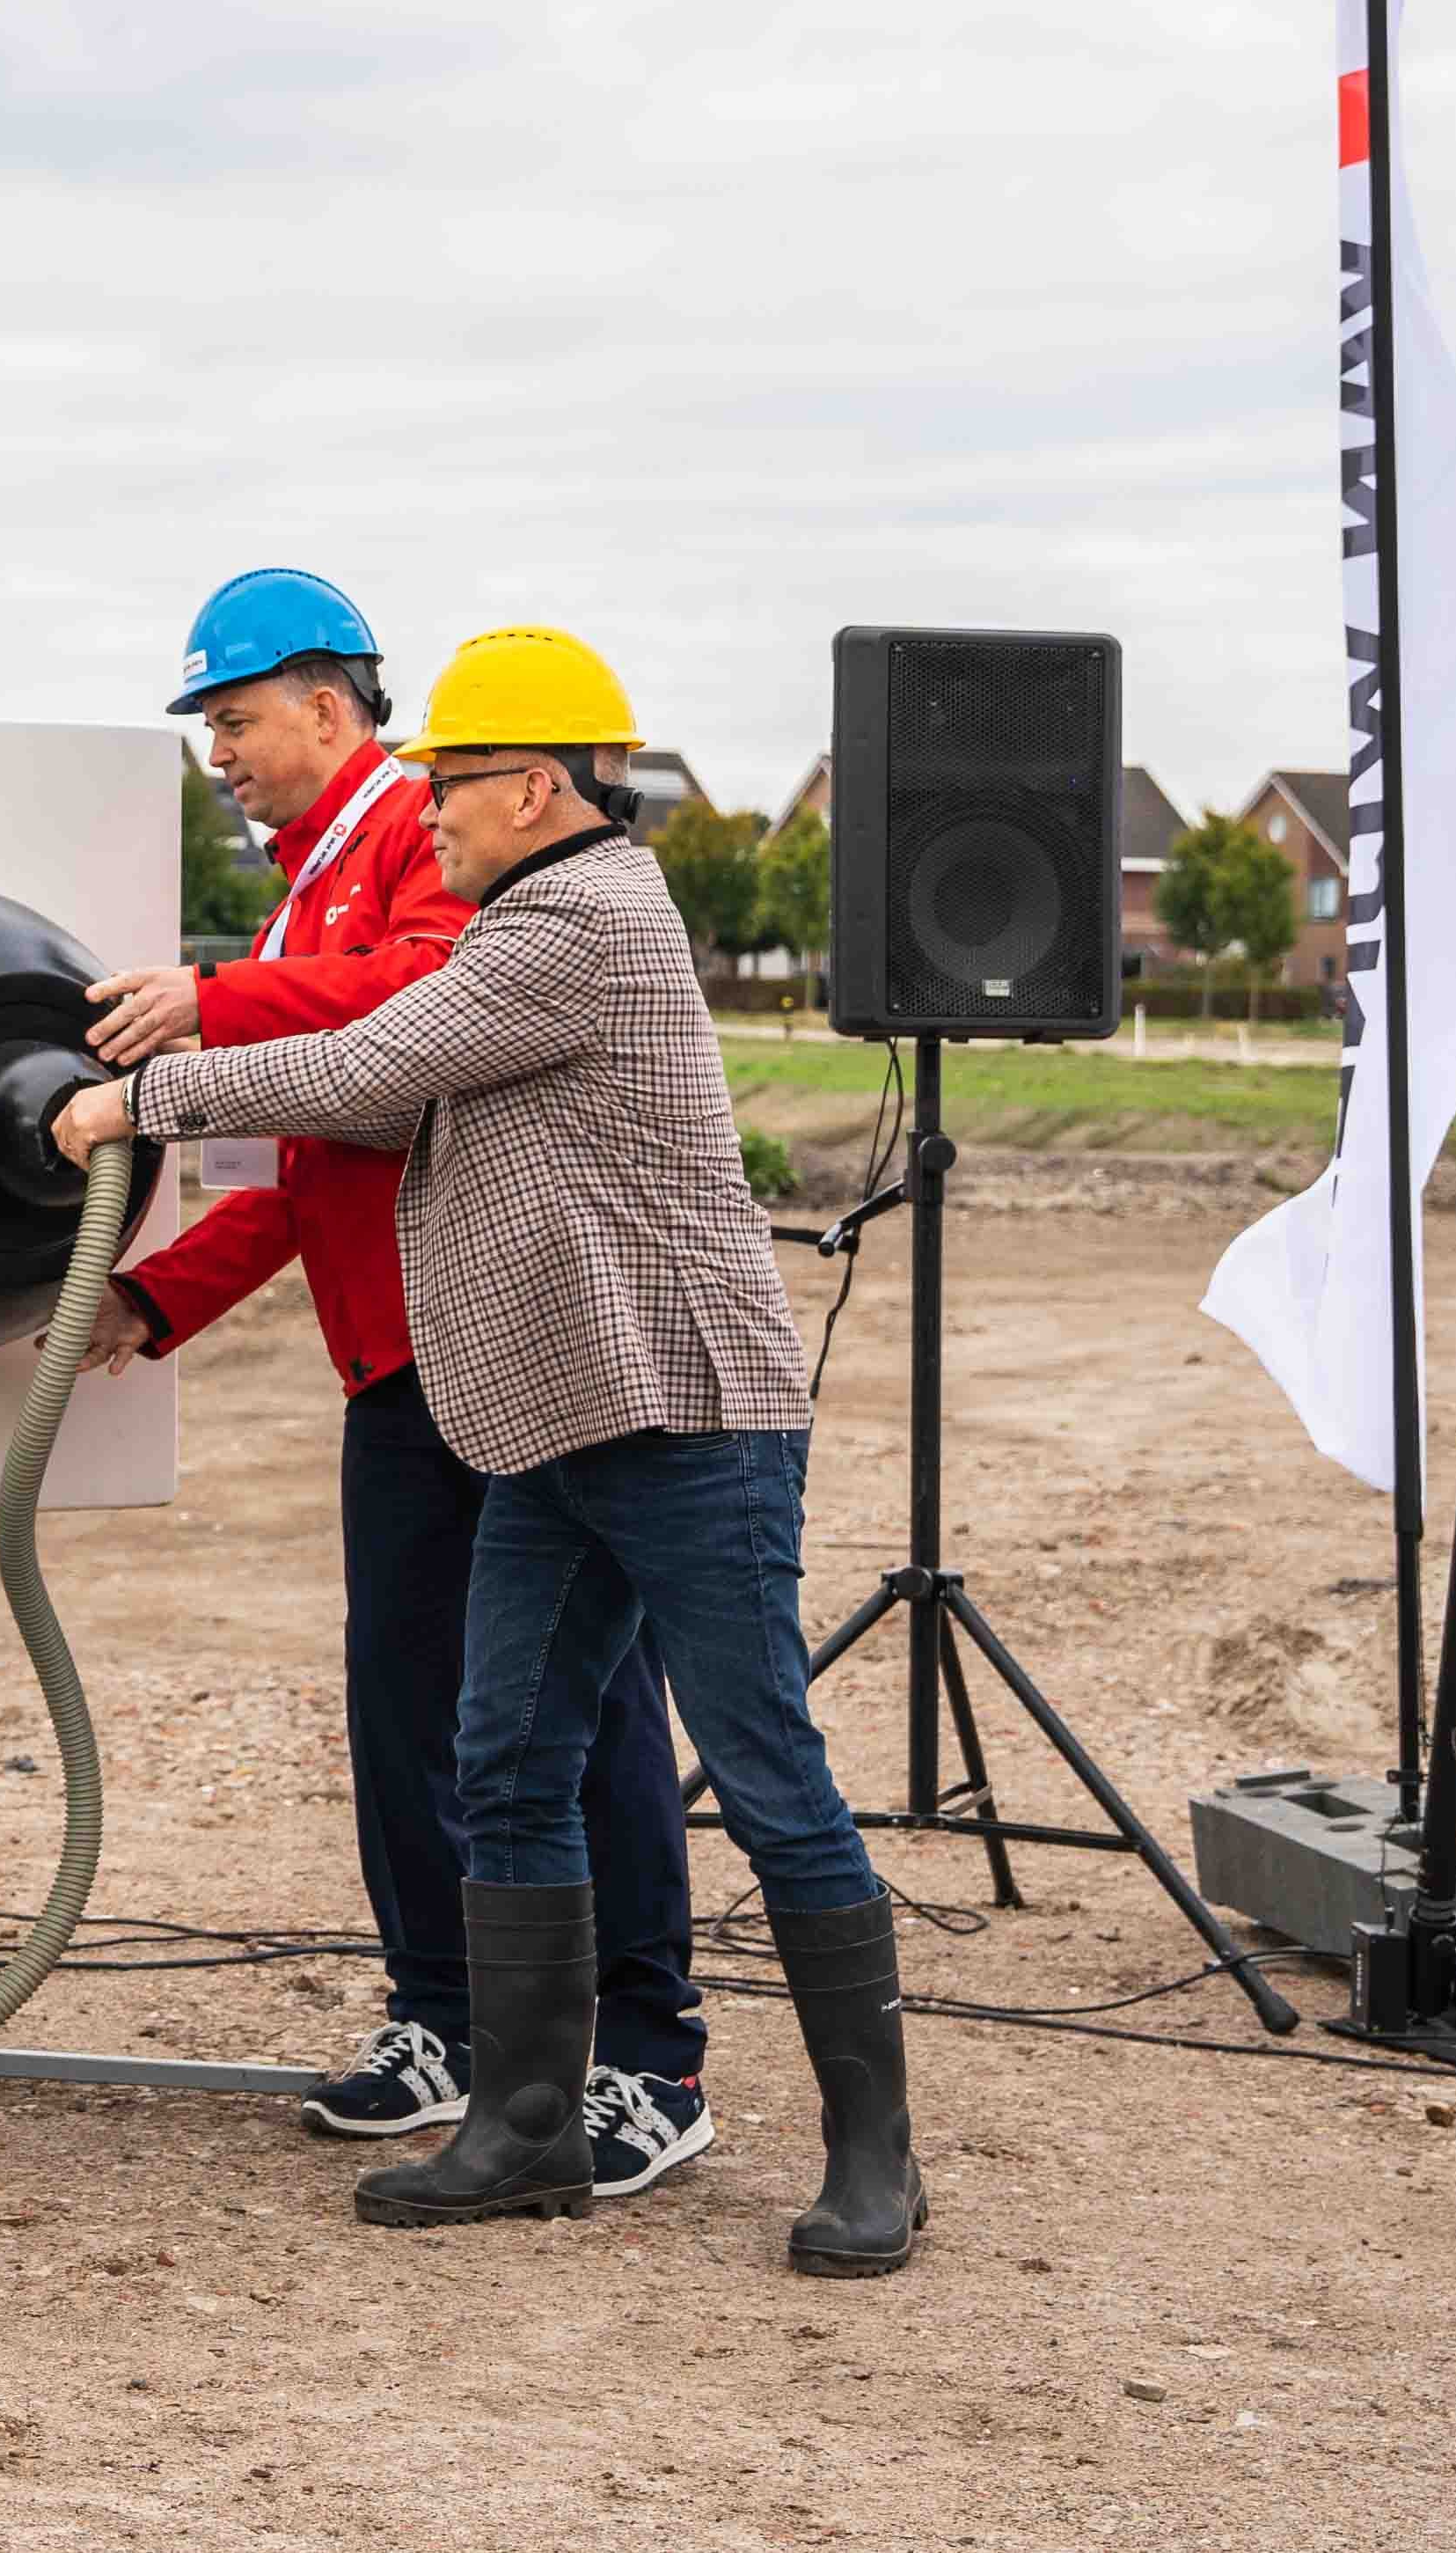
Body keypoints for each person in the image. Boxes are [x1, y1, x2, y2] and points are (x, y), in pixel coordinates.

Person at [55, 626, 923, 2277]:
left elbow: (366, 1061)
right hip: (543, 1417)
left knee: (768, 1771)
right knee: (507, 1756)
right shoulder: (520, 926)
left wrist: (143, 1098)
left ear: (529, 788)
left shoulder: (584, 920)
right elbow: (371, 1110)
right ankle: (525, 2123)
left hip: (681, 1416)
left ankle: (873, 2159)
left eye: (447, 784)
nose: (428, 810)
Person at [77, 569, 711, 2197]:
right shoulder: (304, 888)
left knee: (579, 1706)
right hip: (397, 1360)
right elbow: (311, 1159)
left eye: (234, 719)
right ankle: (448, 2013)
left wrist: (209, 1014)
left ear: (324, 707)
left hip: (502, 1347)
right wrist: (156, 1295)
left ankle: (647, 2050)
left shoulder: (431, 841)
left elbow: (409, 1019)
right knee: (411, 1700)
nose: (219, 752)